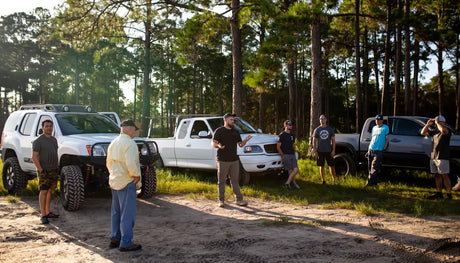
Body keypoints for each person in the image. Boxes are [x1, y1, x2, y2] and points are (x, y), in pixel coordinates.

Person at [106, 120, 142, 251]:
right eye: (134, 129)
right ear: (128, 129)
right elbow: (131, 163)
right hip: (127, 182)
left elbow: (108, 162)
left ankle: (115, 238)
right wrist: (136, 176)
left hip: (115, 180)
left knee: (116, 212)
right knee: (127, 214)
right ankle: (126, 242)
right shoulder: (130, 144)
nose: (135, 132)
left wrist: (114, 174)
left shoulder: (113, 142)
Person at [212, 113, 252, 207]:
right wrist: (218, 146)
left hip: (234, 159)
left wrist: (246, 140)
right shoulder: (219, 131)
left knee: (235, 180)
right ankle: (221, 200)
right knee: (221, 181)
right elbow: (213, 143)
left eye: (233, 120)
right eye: (231, 119)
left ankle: (239, 200)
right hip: (222, 160)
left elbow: (240, 144)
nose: (233, 121)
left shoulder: (235, 132)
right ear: (225, 120)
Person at [32, 119, 60, 225]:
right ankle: (43, 215)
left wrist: (57, 166)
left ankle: (48, 212)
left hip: (53, 169)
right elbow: (34, 157)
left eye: (50, 126)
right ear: (42, 128)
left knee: (49, 191)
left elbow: (55, 153)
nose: (49, 128)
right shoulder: (38, 141)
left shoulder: (54, 140)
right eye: (47, 126)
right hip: (44, 170)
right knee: (43, 191)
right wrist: (41, 170)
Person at [420, 115, 452, 200]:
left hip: (443, 156)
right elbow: (422, 133)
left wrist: (437, 122)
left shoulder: (446, 130)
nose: (437, 123)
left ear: (443, 122)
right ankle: (439, 192)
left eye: (439, 122)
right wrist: (427, 125)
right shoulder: (434, 131)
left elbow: (443, 130)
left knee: (444, 175)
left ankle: (449, 194)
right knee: (436, 175)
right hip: (434, 156)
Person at [365, 115, 389, 187]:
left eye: (379, 119)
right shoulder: (374, 128)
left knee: (374, 168)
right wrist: (368, 149)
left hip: (379, 151)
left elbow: (387, 138)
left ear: (382, 120)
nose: (377, 121)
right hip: (371, 149)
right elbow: (373, 139)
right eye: (376, 119)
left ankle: (368, 184)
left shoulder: (385, 128)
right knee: (370, 168)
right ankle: (374, 184)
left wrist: (385, 146)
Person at [313, 115, 337, 184]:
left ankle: (334, 180)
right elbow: (314, 141)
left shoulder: (330, 129)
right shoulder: (317, 130)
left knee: (331, 166)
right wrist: (315, 151)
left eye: (323, 119)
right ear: (319, 120)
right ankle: (323, 180)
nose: (322, 120)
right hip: (320, 151)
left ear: (326, 120)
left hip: (329, 150)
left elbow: (333, 141)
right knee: (321, 166)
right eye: (321, 119)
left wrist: (333, 150)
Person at [277, 120, 300, 189]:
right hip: (286, 155)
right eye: (289, 125)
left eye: (291, 125)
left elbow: (293, 144)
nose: (290, 126)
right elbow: (278, 147)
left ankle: (287, 183)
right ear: (285, 125)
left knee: (295, 169)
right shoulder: (282, 135)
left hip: (292, 154)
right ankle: (293, 184)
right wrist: (283, 155)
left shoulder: (292, 135)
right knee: (290, 171)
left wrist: (295, 151)